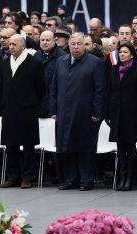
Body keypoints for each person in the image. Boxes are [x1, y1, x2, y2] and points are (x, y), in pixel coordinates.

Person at [50, 33, 104, 191]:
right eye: (73, 44)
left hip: (85, 113)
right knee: (67, 147)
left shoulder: (94, 62)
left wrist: (97, 112)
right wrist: (53, 110)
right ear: (68, 45)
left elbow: (100, 90)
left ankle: (87, 180)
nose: (76, 47)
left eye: (79, 44)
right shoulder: (61, 61)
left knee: (85, 147)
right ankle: (70, 179)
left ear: (85, 45)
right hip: (63, 113)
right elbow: (54, 88)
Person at [0, 35, 46, 189]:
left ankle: (27, 177)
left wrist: (31, 102)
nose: (10, 47)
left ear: (23, 46)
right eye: (9, 44)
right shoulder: (5, 63)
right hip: (9, 110)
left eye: (14, 44)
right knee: (10, 144)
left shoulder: (34, 63)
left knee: (28, 145)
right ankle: (13, 176)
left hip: (27, 110)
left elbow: (41, 88)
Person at [104, 43, 137, 191]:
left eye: (125, 52)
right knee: (120, 148)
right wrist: (108, 113)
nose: (121, 54)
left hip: (132, 115)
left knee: (130, 147)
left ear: (132, 54)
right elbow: (109, 93)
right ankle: (121, 176)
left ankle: (130, 178)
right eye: (120, 52)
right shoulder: (114, 70)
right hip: (116, 114)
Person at [34, 30, 65, 117]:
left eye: (47, 40)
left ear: (55, 40)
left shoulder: (63, 57)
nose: (44, 42)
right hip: (39, 100)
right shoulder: (36, 55)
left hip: (55, 101)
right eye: (42, 40)